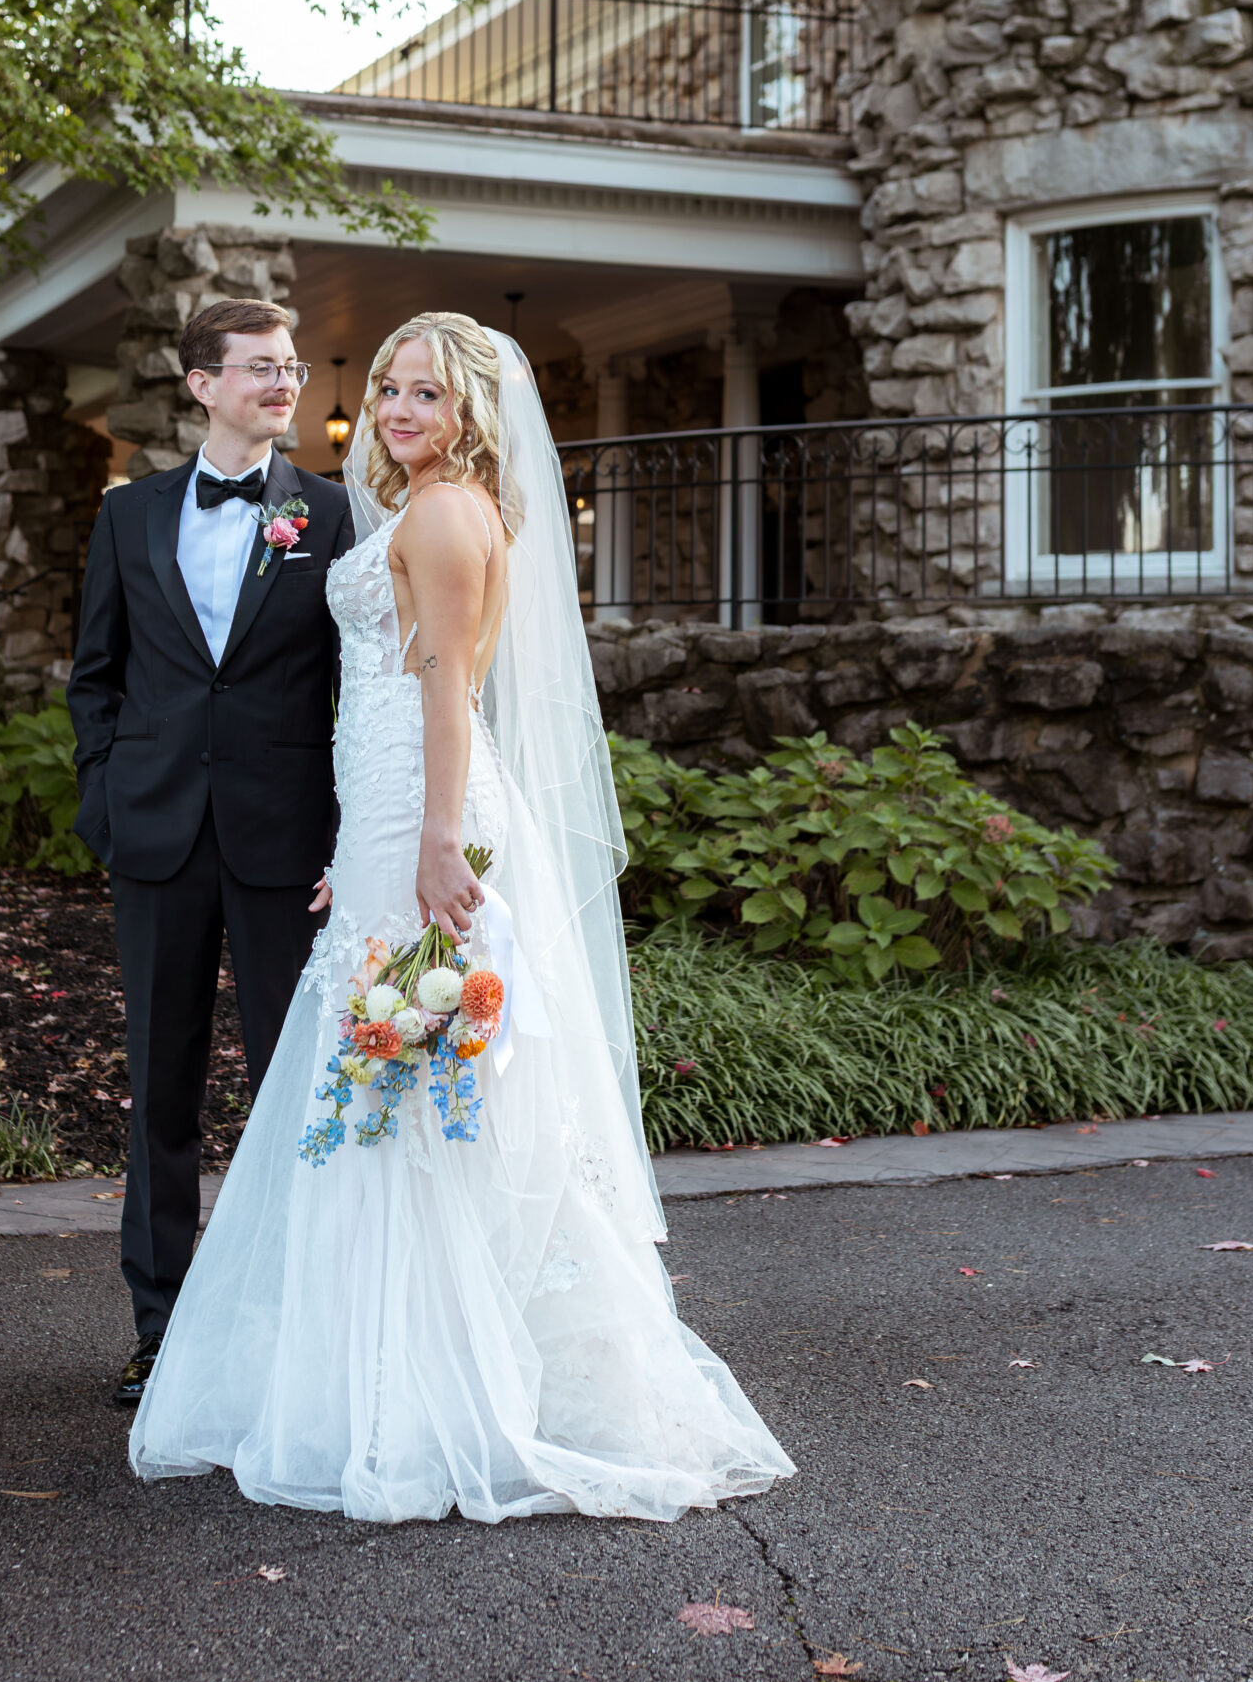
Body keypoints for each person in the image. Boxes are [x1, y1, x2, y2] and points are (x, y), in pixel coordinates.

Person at [129, 311, 795, 1521]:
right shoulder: (439, 505)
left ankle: (419, 1382)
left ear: (472, 412)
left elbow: (444, 681)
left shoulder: (439, 513)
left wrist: (435, 835)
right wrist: (365, 837)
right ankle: (389, 1364)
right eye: (386, 387)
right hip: (386, 806)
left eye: (424, 395)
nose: (395, 411)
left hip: (424, 802)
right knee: (404, 1062)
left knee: (413, 1073)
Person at [67, 297, 355, 1407]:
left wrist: (352, 828)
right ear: (201, 384)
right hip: (154, 833)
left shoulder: (331, 512)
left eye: (291, 367)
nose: (284, 384)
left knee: (296, 1083)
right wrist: (106, 796)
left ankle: (290, 1321)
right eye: (259, 369)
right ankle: (162, 1328)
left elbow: (357, 680)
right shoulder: (128, 514)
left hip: (288, 839)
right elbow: (97, 673)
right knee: (161, 1086)